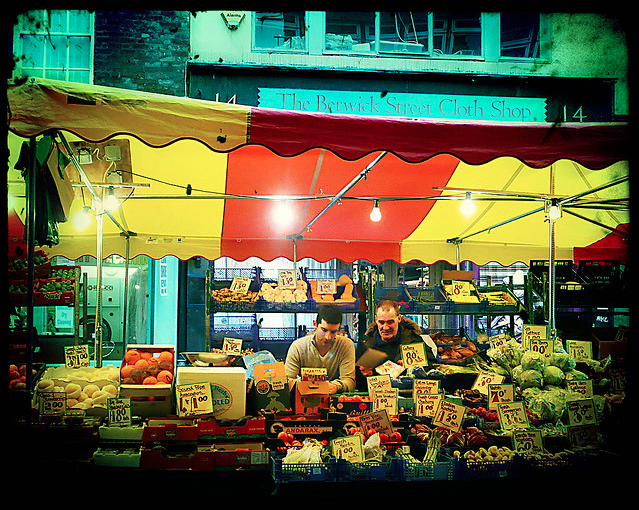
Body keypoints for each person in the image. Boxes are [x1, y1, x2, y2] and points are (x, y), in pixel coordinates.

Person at [355, 299, 435, 390]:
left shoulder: (413, 340)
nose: (385, 327)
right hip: (378, 396)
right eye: (381, 322)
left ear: (399, 319)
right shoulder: (365, 344)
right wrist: (365, 375)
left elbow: (432, 370)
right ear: (376, 319)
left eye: (390, 322)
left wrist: (413, 369)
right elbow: (358, 384)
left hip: (408, 395)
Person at [285, 304, 356, 394]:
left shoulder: (346, 345)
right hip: (303, 398)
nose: (328, 337)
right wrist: (306, 386)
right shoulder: (298, 347)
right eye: (324, 330)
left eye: (333, 332)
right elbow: (287, 380)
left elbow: (349, 381)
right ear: (315, 324)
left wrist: (336, 386)